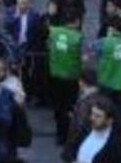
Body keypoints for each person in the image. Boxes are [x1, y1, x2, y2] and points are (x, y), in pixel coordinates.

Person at [48, 8, 83, 145]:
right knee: (69, 107)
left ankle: (59, 134)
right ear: (76, 21)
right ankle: (67, 134)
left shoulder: (53, 32)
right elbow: (84, 58)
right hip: (71, 78)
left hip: (55, 75)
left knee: (57, 106)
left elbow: (49, 46)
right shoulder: (78, 37)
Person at [62, 98, 121, 163]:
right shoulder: (84, 129)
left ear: (109, 121)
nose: (92, 118)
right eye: (92, 114)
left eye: (98, 116)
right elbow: (68, 151)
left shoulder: (115, 144)